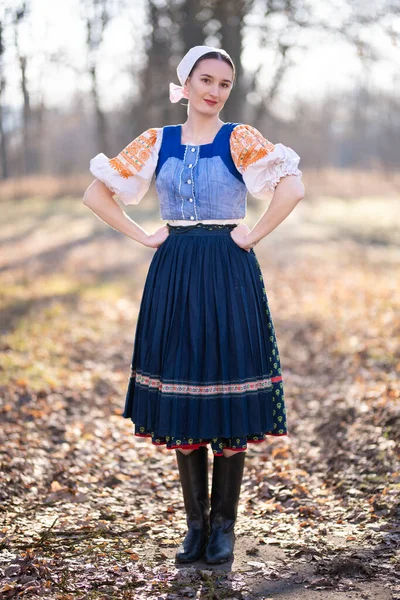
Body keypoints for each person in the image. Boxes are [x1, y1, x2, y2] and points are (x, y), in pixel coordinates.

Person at [82, 45, 304, 565]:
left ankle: (224, 527)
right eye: (205, 80)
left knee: (227, 389)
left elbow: (291, 188)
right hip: (175, 270)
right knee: (183, 388)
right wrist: (144, 238)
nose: (214, 91)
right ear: (185, 84)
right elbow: (97, 195)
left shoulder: (239, 139)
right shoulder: (157, 141)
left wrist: (252, 237)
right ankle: (195, 528)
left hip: (229, 269)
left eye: (224, 84)